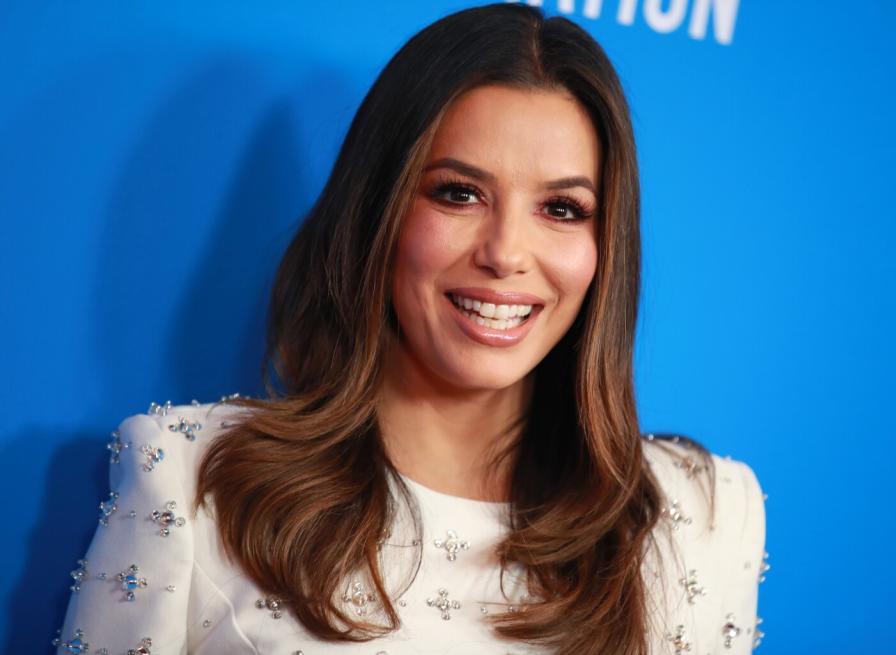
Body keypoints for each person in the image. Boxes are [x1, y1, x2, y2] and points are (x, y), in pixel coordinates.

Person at [54, 3, 767, 654]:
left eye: (561, 209)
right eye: (458, 194)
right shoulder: (192, 482)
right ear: (378, 213)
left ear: (605, 246)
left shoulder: (701, 513)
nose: (505, 254)